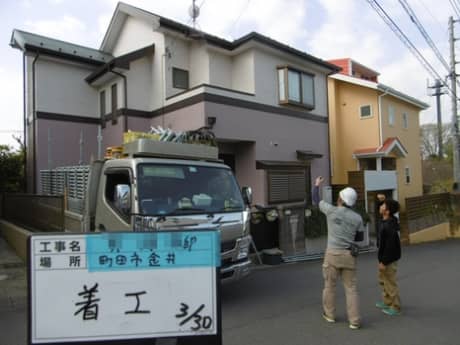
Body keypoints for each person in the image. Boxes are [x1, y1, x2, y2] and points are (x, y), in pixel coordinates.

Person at [313, 176, 364, 330]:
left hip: (332, 254)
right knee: (351, 289)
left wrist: (316, 185)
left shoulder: (331, 211)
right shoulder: (357, 218)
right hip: (349, 255)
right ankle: (354, 321)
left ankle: (329, 315)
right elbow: (359, 238)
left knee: (329, 286)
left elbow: (315, 200)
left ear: (341, 199)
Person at [376, 199, 402, 316]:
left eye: (383, 205)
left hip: (389, 259)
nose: (380, 206)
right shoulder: (385, 220)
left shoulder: (390, 225)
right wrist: (380, 200)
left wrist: (384, 262)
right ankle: (387, 301)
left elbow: (390, 246)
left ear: (387, 211)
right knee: (383, 281)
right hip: (383, 258)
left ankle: (395, 307)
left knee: (390, 283)